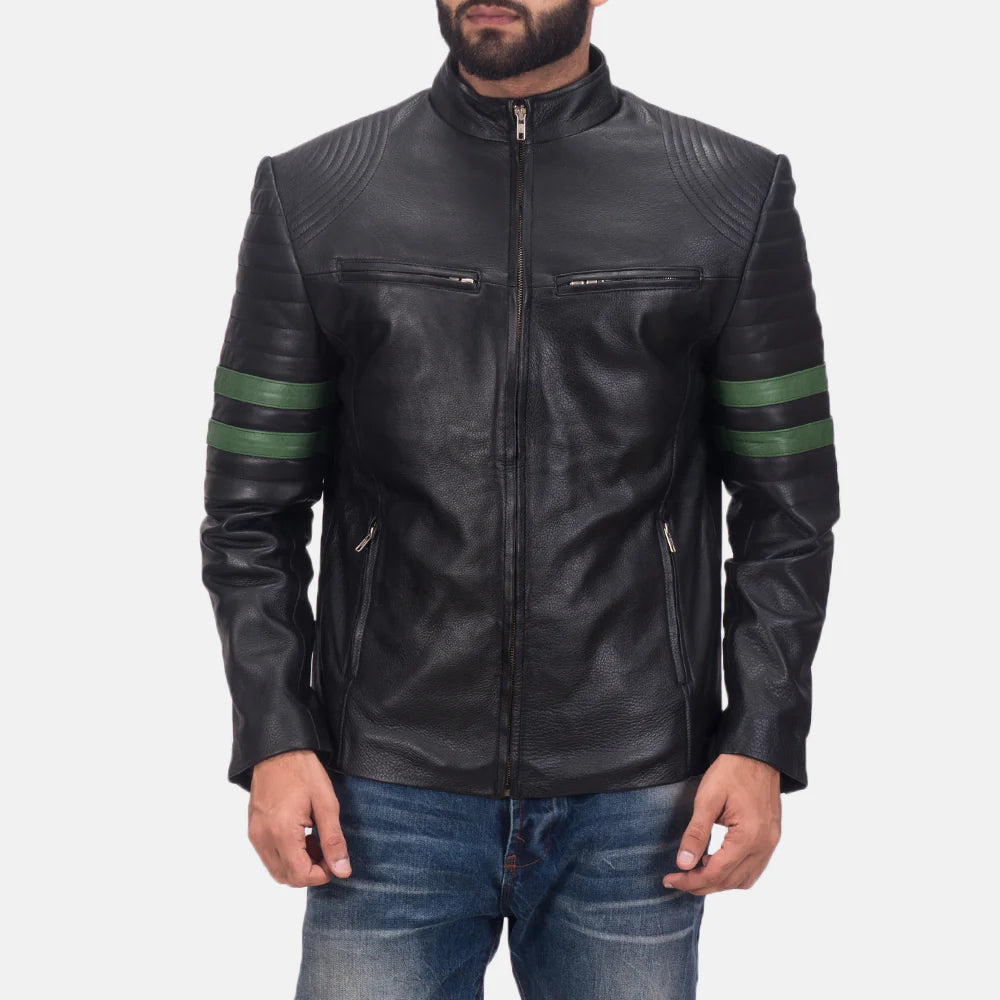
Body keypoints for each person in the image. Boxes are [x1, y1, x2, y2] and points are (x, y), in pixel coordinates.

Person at [199, 2, 840, 996]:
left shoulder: (729, 192)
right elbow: (250, 510)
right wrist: (275, 732)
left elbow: (788, 504)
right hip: (383, 790)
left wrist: (761, 736)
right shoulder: (317, 192)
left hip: (637, 792)